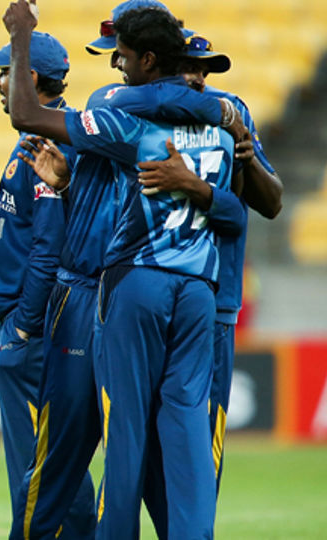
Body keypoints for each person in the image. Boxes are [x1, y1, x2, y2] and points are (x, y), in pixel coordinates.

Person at [5, 3, 249, 538]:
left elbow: (27, 114)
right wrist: (220, 119)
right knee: (186, 432)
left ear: (147, 57)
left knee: (124, 432)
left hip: (134, 285)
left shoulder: (125, 115)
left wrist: (21, 35)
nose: (117, 67)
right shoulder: (227, 124)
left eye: (123, 58)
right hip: (199, 291)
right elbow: (237, 209)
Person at [144, 32, 282, 496]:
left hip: (212, 305)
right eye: (188, 66)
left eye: (204, 70)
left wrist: (246, 154)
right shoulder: (139, 114)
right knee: (132, 447)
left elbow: (272, 202)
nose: (197, 78)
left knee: (201, 458)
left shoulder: (230, 113)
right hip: (143, 298)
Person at [0, 33, 96, 539]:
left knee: (39, 474)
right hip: (43, 323)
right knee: (58, 464)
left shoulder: (46, 145)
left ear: (32, 80)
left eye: (6, 72)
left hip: (37, 328)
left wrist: (23, 329)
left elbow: (48, 245)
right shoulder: (43, 138)